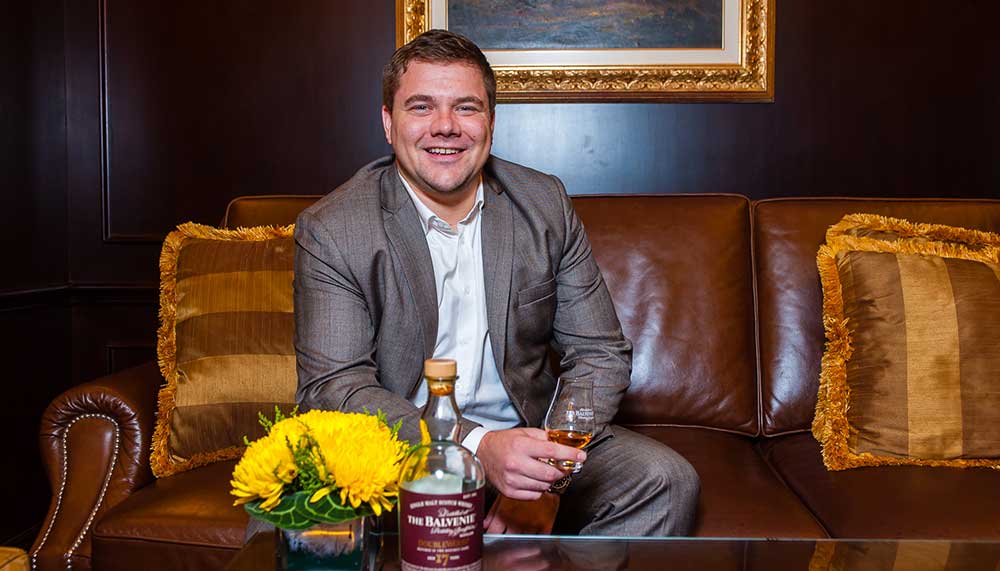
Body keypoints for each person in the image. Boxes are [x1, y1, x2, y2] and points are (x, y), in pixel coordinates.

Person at [293, 29, 699, 536]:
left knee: (665, 481)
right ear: (388, 123)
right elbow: (336, 387)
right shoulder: (334, 228)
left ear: (490, 122)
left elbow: (600, 353)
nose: (445, 126)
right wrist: (476, 446)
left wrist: (548, 476)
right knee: (298, 512)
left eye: (466, 108)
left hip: (529, 437)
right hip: (397, 449)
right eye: (421, 107)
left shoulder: (544, 204)